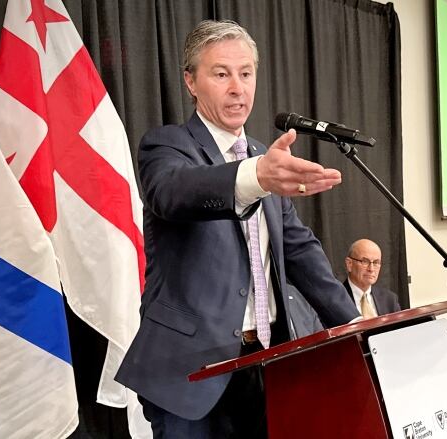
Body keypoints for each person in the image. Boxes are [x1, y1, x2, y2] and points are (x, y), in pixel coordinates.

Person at [115, 20, 359, 437]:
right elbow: (174, 193)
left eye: (246, 74)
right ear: (191, 82)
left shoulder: (265, 156)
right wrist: (256, 177)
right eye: (221, 73)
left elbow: (300, 252)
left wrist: (355, 327)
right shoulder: (167, 146)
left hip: (268, 364)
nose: (237, 87)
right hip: (191, 373)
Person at [343, 239, 401, 318]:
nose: (371, 269)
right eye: (365, 261)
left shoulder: (390, 300)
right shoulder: (336, 300)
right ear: (349, 264)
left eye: (376, 262)